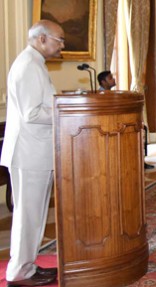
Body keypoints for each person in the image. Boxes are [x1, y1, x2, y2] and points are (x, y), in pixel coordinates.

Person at [1, 20, 64, 287]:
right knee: (29, 215)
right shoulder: (28, 66)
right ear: (41, 39)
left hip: (35, 152)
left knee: (35, 215)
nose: (62, 45)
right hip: (29, 153)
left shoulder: (34, 63)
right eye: (58, 40)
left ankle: (27, 266)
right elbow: (32, 113)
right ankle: (18, 272)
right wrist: (63, 111)